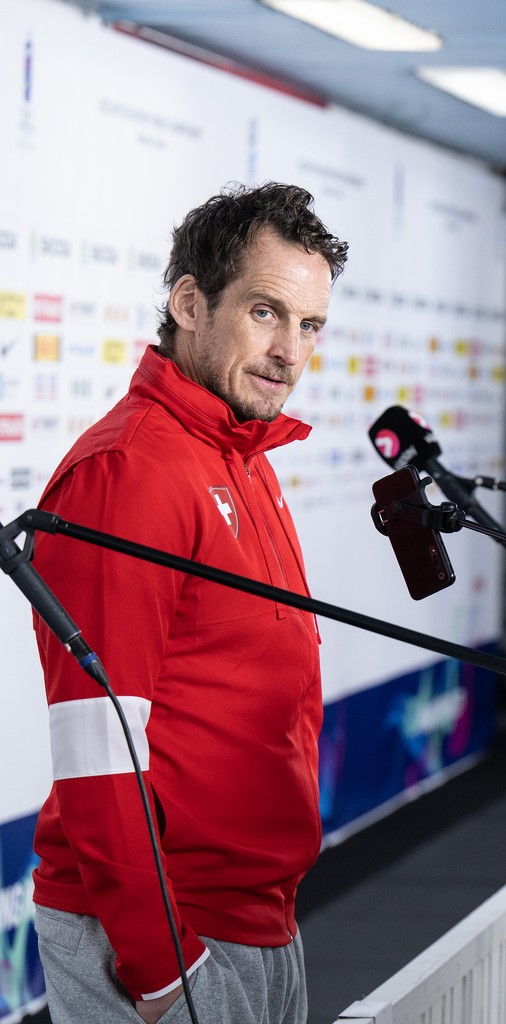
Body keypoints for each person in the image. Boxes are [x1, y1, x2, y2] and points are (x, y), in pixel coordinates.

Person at [29, 182, 348, 1024]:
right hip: (168, 932)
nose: (290, 351)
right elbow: (99, 752)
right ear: (189, 303)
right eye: (266, 312)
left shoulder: (245, 455)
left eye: (310, 326)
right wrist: (166, 974)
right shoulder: (129, 471)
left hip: (259, 917)